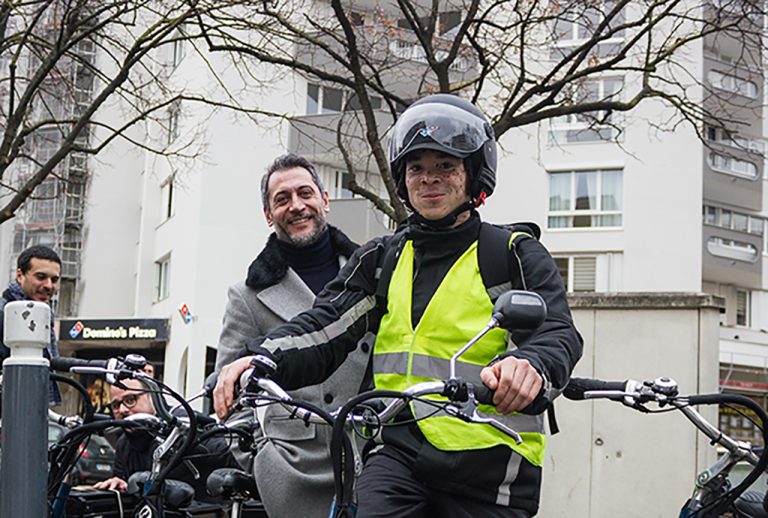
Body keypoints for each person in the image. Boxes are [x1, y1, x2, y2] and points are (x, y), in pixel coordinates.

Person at [214, 94, 583, 517]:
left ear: (473, 172)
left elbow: (557, 334)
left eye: (445, 166)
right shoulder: (382, 258)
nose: (429, 179)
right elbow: (326, 324)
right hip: (400, 453)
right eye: (417, 168)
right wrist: (262, 358)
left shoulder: (512, 253)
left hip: (491, 457)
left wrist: (531, 365)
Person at [214, 153, 371, 518]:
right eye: (282, 199)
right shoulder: (247, 296)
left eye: (305, 193)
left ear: (325, 200)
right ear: (269, 215)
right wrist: (262, 454)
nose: (297, 206)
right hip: (293, 468)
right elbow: (228, 392)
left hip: (371, 454)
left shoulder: (370, 275)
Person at [94, 378, 237, 501]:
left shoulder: (186, 425)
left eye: (131, 400)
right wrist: (119, 483)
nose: (123, 410)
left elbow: (232, 456)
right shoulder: (123, 443)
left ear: (151, 397)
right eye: (116, 405)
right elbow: (126, 481)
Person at [0, 245, 62, 405]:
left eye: (54, 279)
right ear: (20, 275)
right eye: (41, 277)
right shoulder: (3, 313)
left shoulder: (42, 312)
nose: (49, 285)